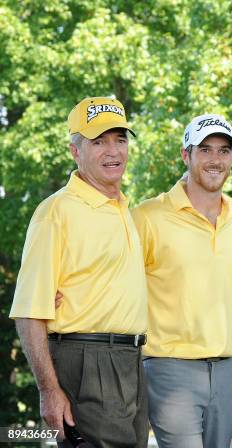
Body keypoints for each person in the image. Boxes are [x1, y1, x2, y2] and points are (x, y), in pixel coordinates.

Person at [10, 97, 148, 447]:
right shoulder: (56, 212)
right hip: (87, 361)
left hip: (130, 359)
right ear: (75, 152)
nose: (112, 151)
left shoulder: (122, 208)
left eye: (119, 139)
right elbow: (29, 310)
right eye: (98, 141)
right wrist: (48, 390)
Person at [131, 114, 232, 447]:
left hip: (227, 369)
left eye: (224, 151)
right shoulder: (148, 216)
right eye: (206, 150)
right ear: (186, 155)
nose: (216, 160)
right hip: (171, 369)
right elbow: (117, 279)